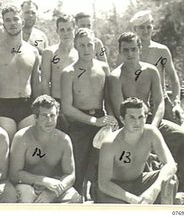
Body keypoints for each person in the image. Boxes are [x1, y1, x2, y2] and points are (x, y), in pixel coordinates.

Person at [109, 31, 184, 195]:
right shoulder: (115, 77)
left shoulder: (151, 71)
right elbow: (121, 111)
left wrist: (153, 127)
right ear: (120, 51)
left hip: (152, 121)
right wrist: (141, 133)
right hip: (129, 126)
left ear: (140, 49)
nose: (130, 53)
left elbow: (159, 102)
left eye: (133, 49)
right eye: (125, 50)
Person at [61, 28, 117, 198]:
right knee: (78, 165)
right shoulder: (69, 72)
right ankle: (77, 199)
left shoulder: (103, 68)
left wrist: (112, 120)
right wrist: (93, 121)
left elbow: (108, 99)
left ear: (95, 46)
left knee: (103, 165)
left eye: (89, 45)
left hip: (101, 119)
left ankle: (101, 198)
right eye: (82, 45)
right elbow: (67, 108)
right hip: (79, 122)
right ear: (76, 47)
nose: (86, 49)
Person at [98, 97, 177, 204]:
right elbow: (104, 184)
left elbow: (171, 164)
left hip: (139, 182)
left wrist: (153, 191)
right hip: (115, 188)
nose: (137, 122)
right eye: (132, 118)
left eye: (141, 117)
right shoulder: (109, 143)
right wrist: (133, 200)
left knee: (170, 180)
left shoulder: (151, 133)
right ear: (122, 119)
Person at [0, 5, 40, 142]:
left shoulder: (33, 51)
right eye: (8, 20)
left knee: (27, 143)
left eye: (15, 19)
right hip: (4, 105)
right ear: (3, 24)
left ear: (22, 22)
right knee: (7, 140)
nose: (12, 23)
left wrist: (40, 108)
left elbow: (36, 84)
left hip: (27, 105)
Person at [9, 95, 82, 203]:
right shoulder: (22, 137)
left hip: (54, 186)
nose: (49, 120)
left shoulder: (64, 140)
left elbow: (70, 175)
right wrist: (43, 181)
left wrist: (53, 193)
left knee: (74, 197)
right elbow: (14, 174)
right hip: (28, 185)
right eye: (44, 116)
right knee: (26, 196)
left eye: (52, 115)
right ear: (36, 117)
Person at [131, 10, 184, 126]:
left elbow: (173, 78)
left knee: (181, 135)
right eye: (141, 28)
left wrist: (176, 103)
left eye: (148, 27)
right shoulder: (129, 52)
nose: (146, 31)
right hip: (137, 105)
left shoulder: (161, 50)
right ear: (135, 29)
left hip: (161, 101)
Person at [41, 14, 78, 131]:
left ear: (74, 29)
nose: (66, 33)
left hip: (77, 104)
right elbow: (45, 82)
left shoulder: (79, 53)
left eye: (69, 29)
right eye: (62, 30)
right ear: (57, 31)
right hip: (57, 102)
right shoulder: (49, 53)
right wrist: (50, 106)